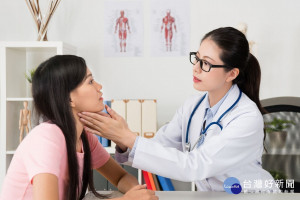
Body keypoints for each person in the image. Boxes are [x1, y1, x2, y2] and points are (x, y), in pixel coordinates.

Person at [78, 27, 280, 192]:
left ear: (231, 74)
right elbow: (158, 148)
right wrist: (122, 138)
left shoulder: (246, 117)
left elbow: (196, 165)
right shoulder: (193, 107)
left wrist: (129, 137)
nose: (196, 68)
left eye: (206, 64)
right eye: (197, 58)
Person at [0, 55, 158, 200]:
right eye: (90, 82)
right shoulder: (46, 138)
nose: (99, 86)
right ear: (69, 99)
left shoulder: (85, 139)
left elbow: (120, 177)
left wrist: (137, 192)